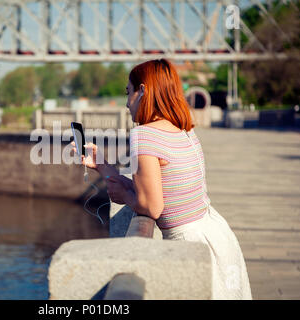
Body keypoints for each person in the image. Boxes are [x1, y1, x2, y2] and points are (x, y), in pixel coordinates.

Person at [71, 59, 253, 300]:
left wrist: (125, 196)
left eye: (128, 92)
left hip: (190, 245)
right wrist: (103, 166)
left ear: (143, 91)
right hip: (215, 235)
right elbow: (155, 188)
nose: (127, 103)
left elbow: (152, 206)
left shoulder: (144, 135)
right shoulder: (183, 128)